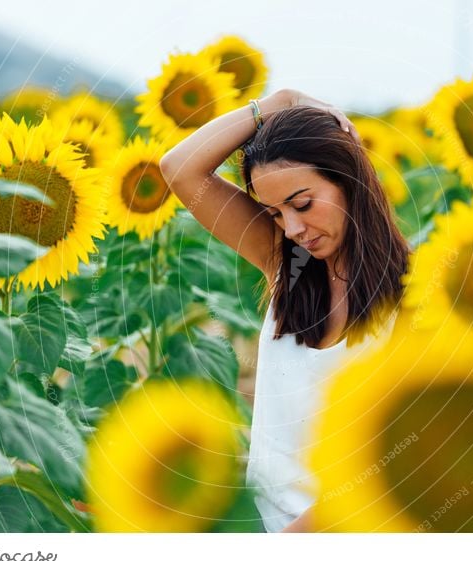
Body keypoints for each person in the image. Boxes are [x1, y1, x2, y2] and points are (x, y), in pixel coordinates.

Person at [159, 89, 409, 532]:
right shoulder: (287, 266)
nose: (293, 229)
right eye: (274, 213)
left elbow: (385, 473)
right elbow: (179, 168)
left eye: (302, 204)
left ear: (348, 180)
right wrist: (276, 103)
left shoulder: (413, 303)